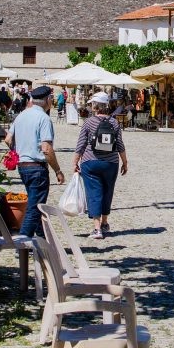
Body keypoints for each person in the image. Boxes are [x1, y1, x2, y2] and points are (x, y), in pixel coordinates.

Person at [4, 85, 64, 238]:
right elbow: (46, 149)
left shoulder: (22, 115)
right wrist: (57, 170)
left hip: (23, 166)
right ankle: (23, 243)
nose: (52, 100)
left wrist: (19, 150)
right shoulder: (43, 118)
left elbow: (7, 139)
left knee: (34, 202)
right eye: (51, 98)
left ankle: (42, 240)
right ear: (46, 100)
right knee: (35, 207)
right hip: (37, 167)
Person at [72, 92, 128, 240]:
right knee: (107, 192)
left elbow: (81, 144)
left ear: (95, 106)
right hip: (111, 163)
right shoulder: (114, 122)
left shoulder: (89, 122)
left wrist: (75, 161)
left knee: (94, 193)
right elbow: (120, 144)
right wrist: (125, 162)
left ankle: (97, 229)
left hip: (91, 162)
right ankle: (104, 223)